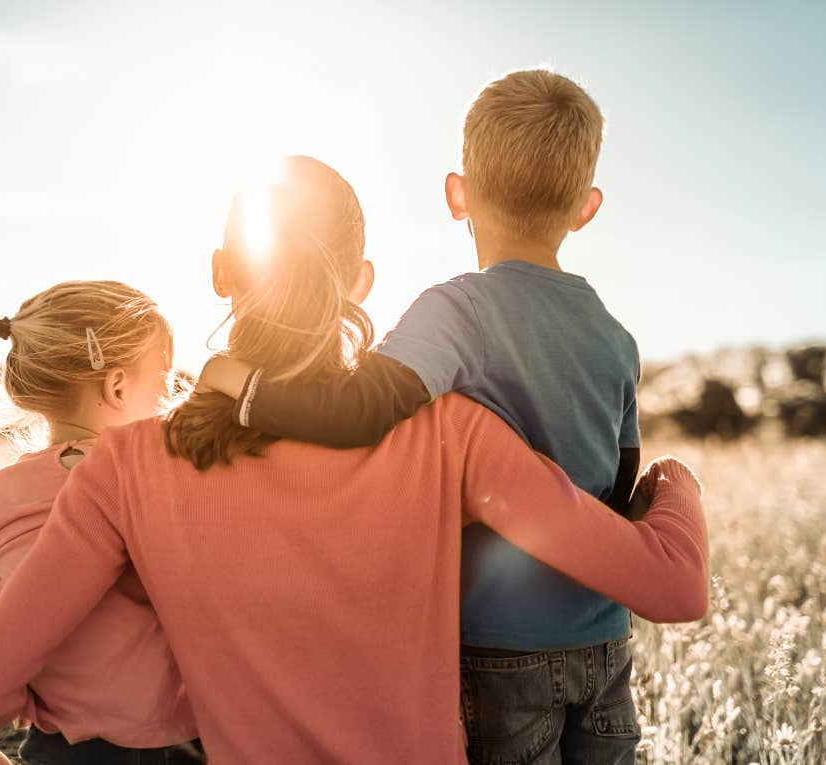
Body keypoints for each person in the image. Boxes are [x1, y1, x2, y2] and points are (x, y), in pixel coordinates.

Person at [0, 156, 708, 765]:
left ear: (221, 274)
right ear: (360, 283)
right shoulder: (449, 435)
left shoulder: (127, 468)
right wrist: (675, 482)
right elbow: (671, 586)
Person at [196, 71, 646, 762]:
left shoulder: (459, 310)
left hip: (500, 645)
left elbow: (361, 410)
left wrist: (241, 385)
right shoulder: (616, 337)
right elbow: (620, 482)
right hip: (604, 642)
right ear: (586, 208)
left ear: (456, 195)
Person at [0, 281, 201, 764]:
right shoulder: (172, 476)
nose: (171, 394)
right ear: (117, 386)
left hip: (64, 753)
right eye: (164, 379)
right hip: (193, 745)